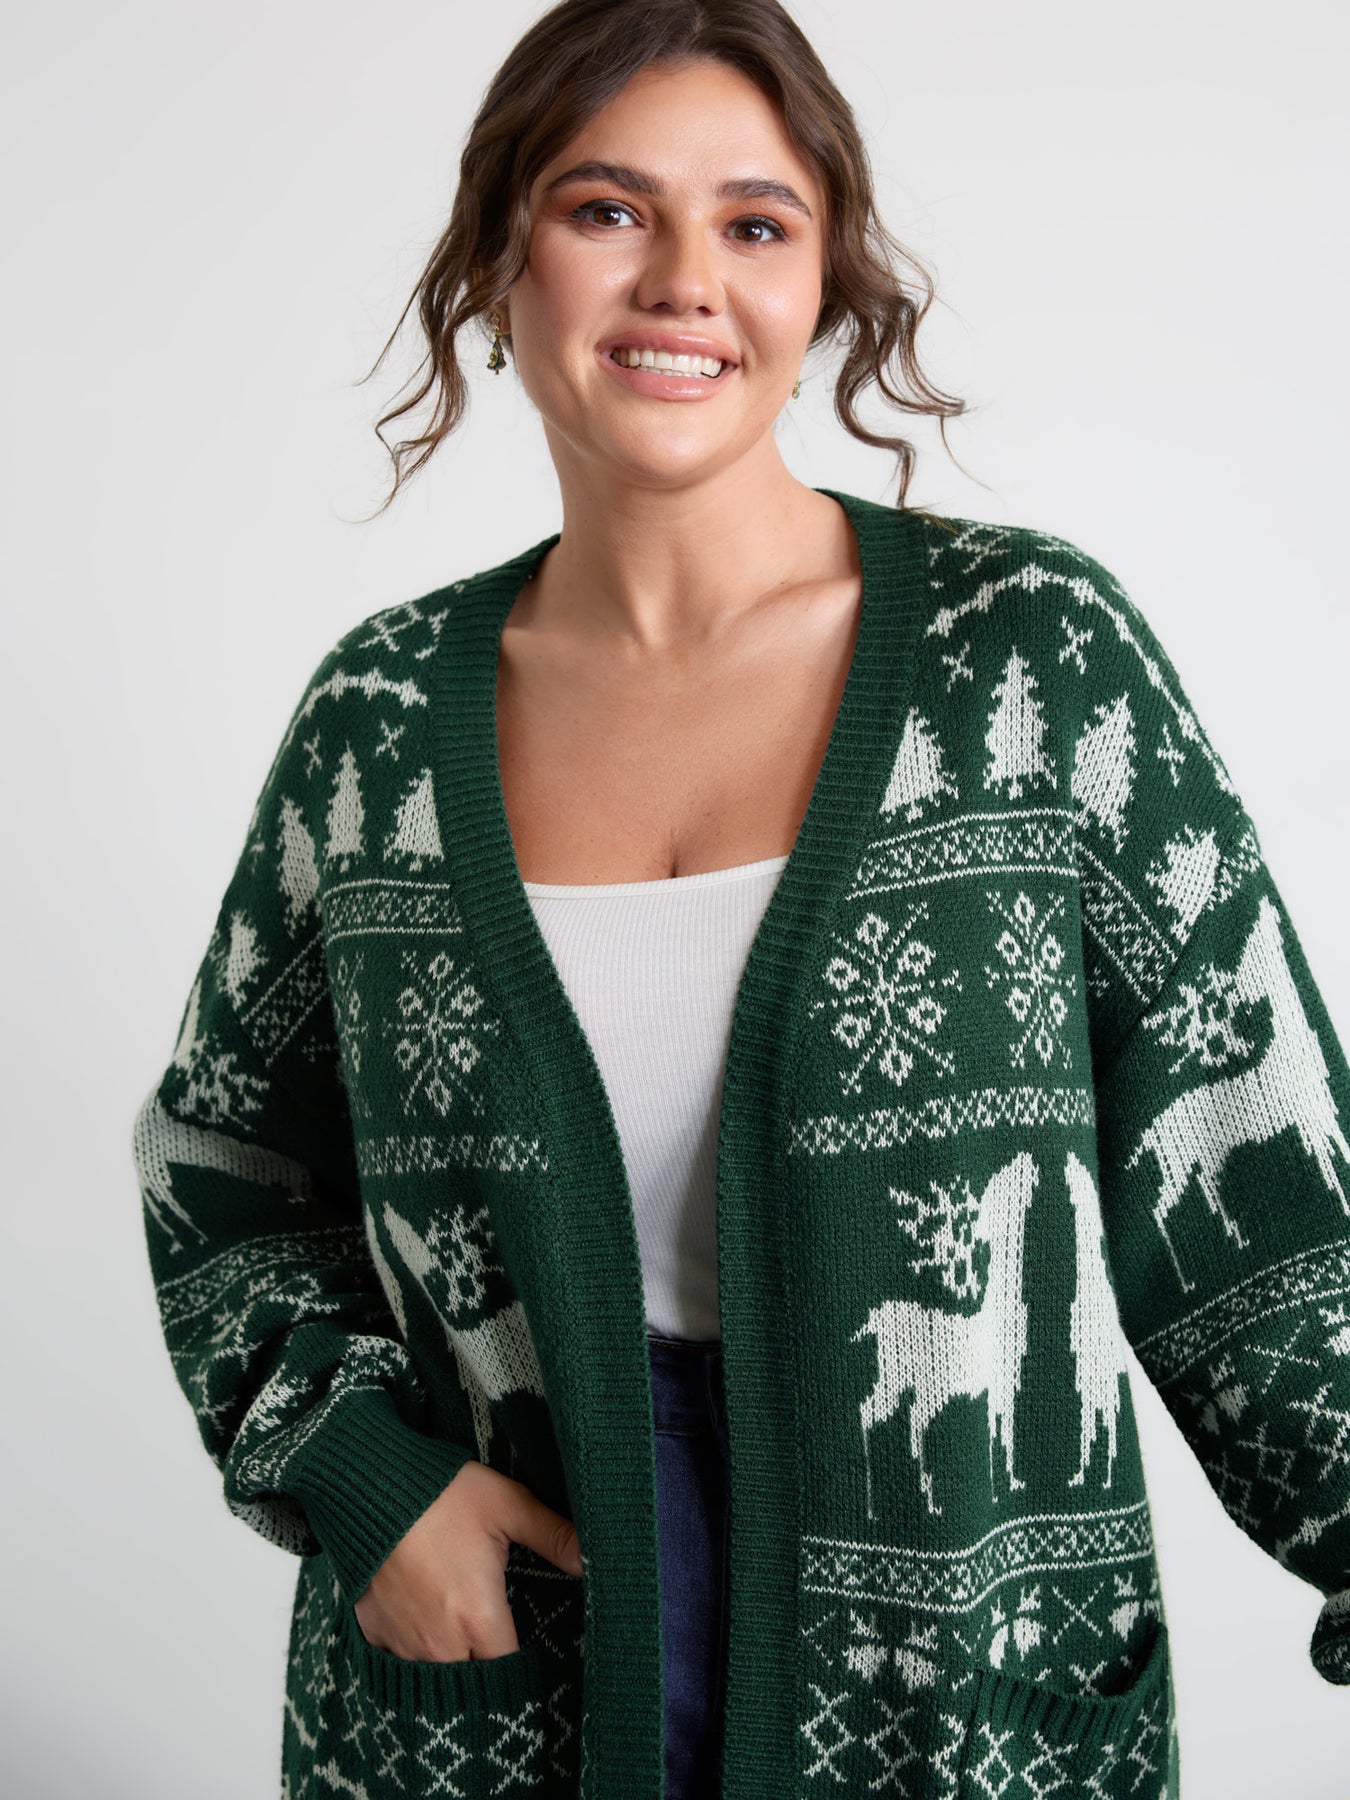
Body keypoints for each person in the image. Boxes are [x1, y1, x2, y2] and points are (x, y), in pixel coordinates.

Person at [131, 2, 1350, 1796]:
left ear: (827, 283)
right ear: (499, 262)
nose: (684, 281)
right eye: (606, 209)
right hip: (502, 1693)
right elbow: (225, 1169)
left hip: (955, 1694)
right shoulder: (377, 725)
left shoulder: (1027, 661)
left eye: (755, 223)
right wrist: (364, 1475)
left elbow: (1265, 1208)